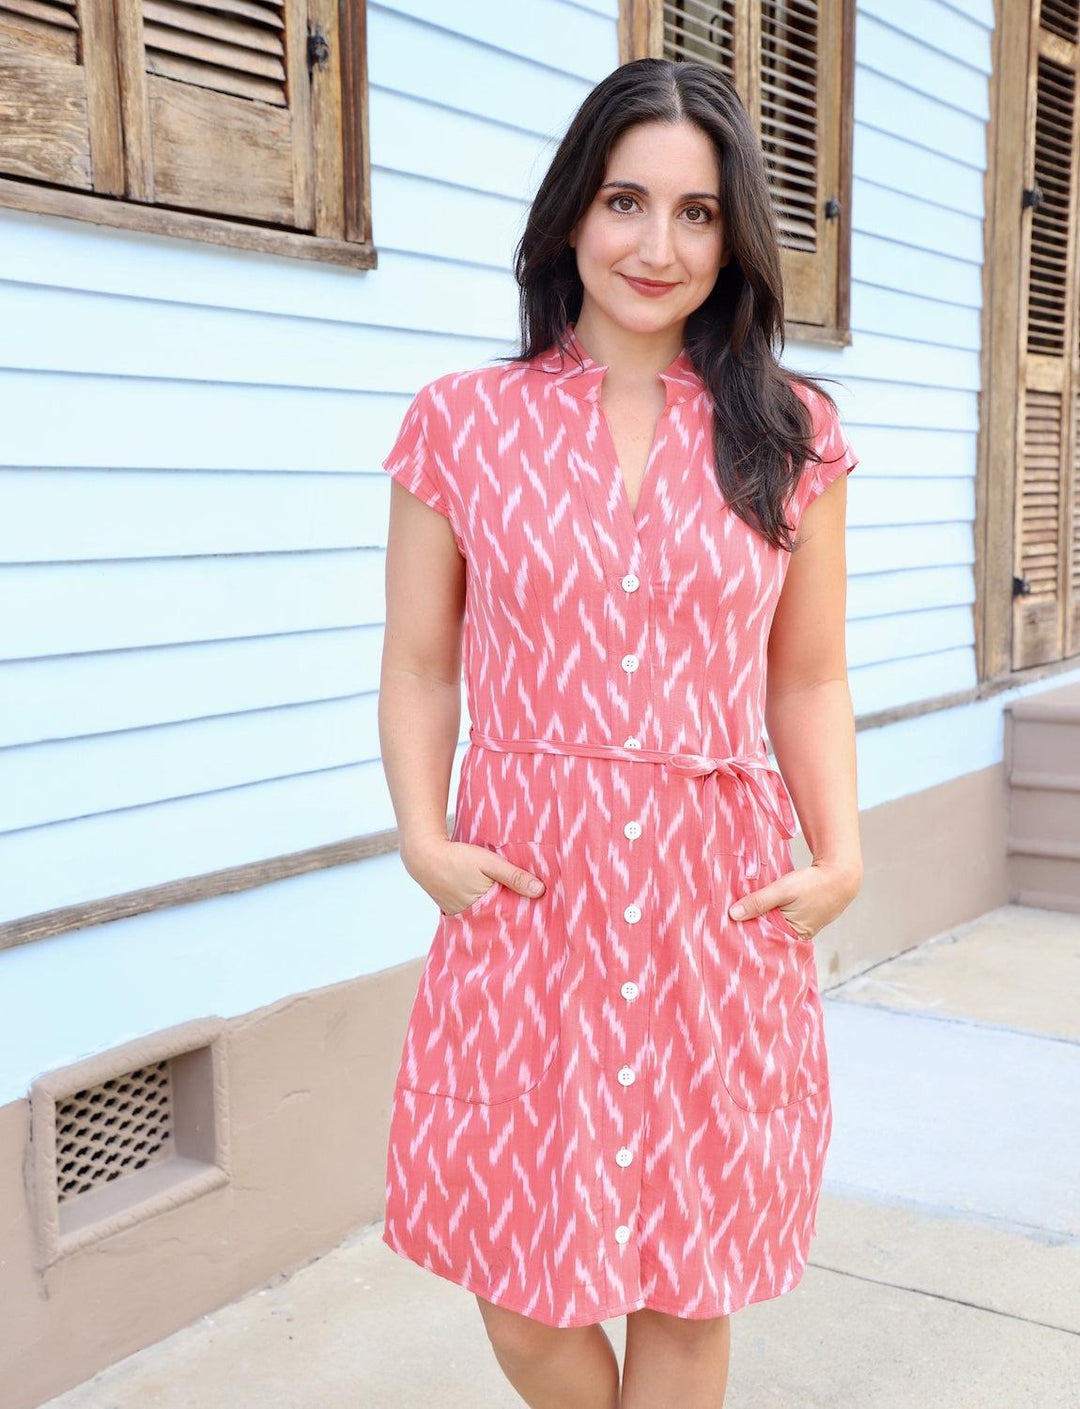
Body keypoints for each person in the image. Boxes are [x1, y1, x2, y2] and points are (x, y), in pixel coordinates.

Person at [377, 56, 862, 1409]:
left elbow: (807, 677)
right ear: (572, 215)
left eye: (697, 213)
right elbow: (418, 663)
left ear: (733, 236)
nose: (659, 247)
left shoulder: (792, 433)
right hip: (530, 895)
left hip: (718, 897)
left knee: (688, 1280)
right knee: (522, 1288)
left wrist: (840, 854)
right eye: (626, 201)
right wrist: (424, 838)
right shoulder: (462, 422)